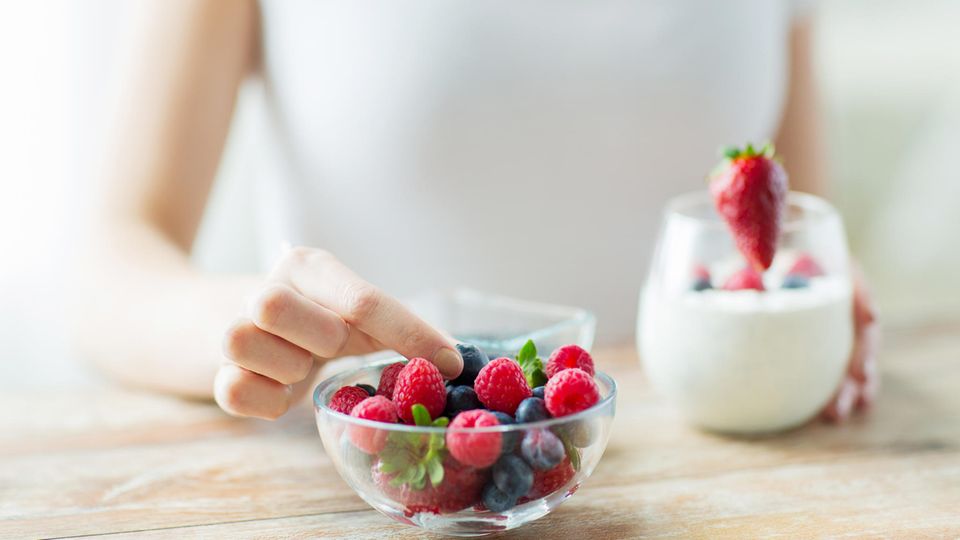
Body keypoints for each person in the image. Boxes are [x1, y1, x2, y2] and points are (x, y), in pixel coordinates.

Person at [71, 0, 878, 422]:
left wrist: (819, 308)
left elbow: (794, 230)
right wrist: (248, 327)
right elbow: (110, 262)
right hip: (381, 469)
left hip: (712, 471)